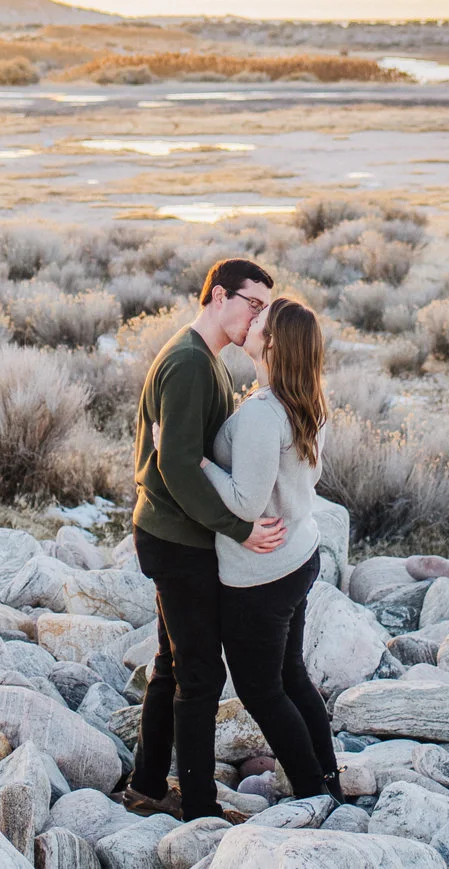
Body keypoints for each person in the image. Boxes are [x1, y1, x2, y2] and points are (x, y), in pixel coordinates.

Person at [123, 257, 288, 821]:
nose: (259, 318)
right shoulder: (191, 363)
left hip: (175, 534)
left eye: (266, 308)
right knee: (199, 674)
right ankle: (198, 808)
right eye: (254, 304)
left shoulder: (208, 360)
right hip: (176, 539)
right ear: (219, 296)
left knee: (173, 665)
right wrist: (240, 530)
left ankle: (147, 785)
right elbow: (176, 466)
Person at [199, 295, 344, 805]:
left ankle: (311, 794)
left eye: (260, 319)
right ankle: (328, 782)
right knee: (290, 675)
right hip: (301, 555)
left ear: (273, 342)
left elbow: (245, 502)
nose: (251, 321)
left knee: (262, 690)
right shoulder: (309, 398)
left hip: (261, 575)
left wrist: (197, 462)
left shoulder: (265, 413)